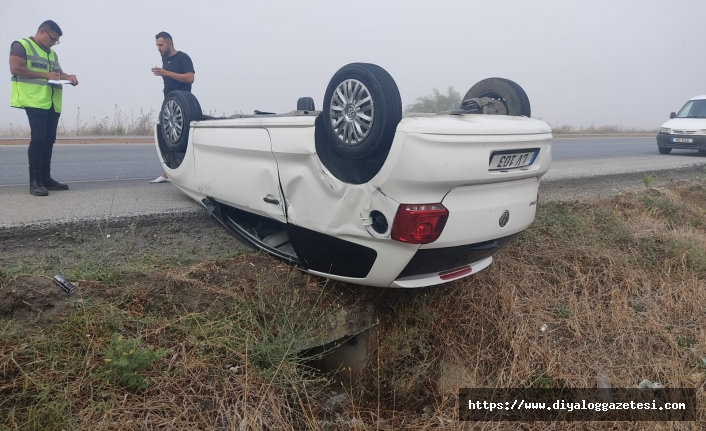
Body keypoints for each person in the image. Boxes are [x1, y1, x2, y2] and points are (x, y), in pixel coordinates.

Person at [9, 20, 78, 196]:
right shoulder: (22, 45)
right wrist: (44, 75)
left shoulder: (52, 54)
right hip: (33, 100)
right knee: (39, 139)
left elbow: (57, 73)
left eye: (56, 41)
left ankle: (45, 178)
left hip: (51, 102)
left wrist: (69, 77)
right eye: (53, 39)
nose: (54, 43)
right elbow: (15, 68)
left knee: (48, 140)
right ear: (42, 32)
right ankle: (35, 182)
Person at [150, 31, 195, 183]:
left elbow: (190, 78)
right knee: (165, 136)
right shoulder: (164, 58)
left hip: (183, 105)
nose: (158, 48)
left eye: (161, 45)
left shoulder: (183, 57)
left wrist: (166, 73)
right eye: (157, 45)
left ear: (170, 43)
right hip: (168, 103)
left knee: (182, 139)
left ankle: (180, 173)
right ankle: (166, 173)